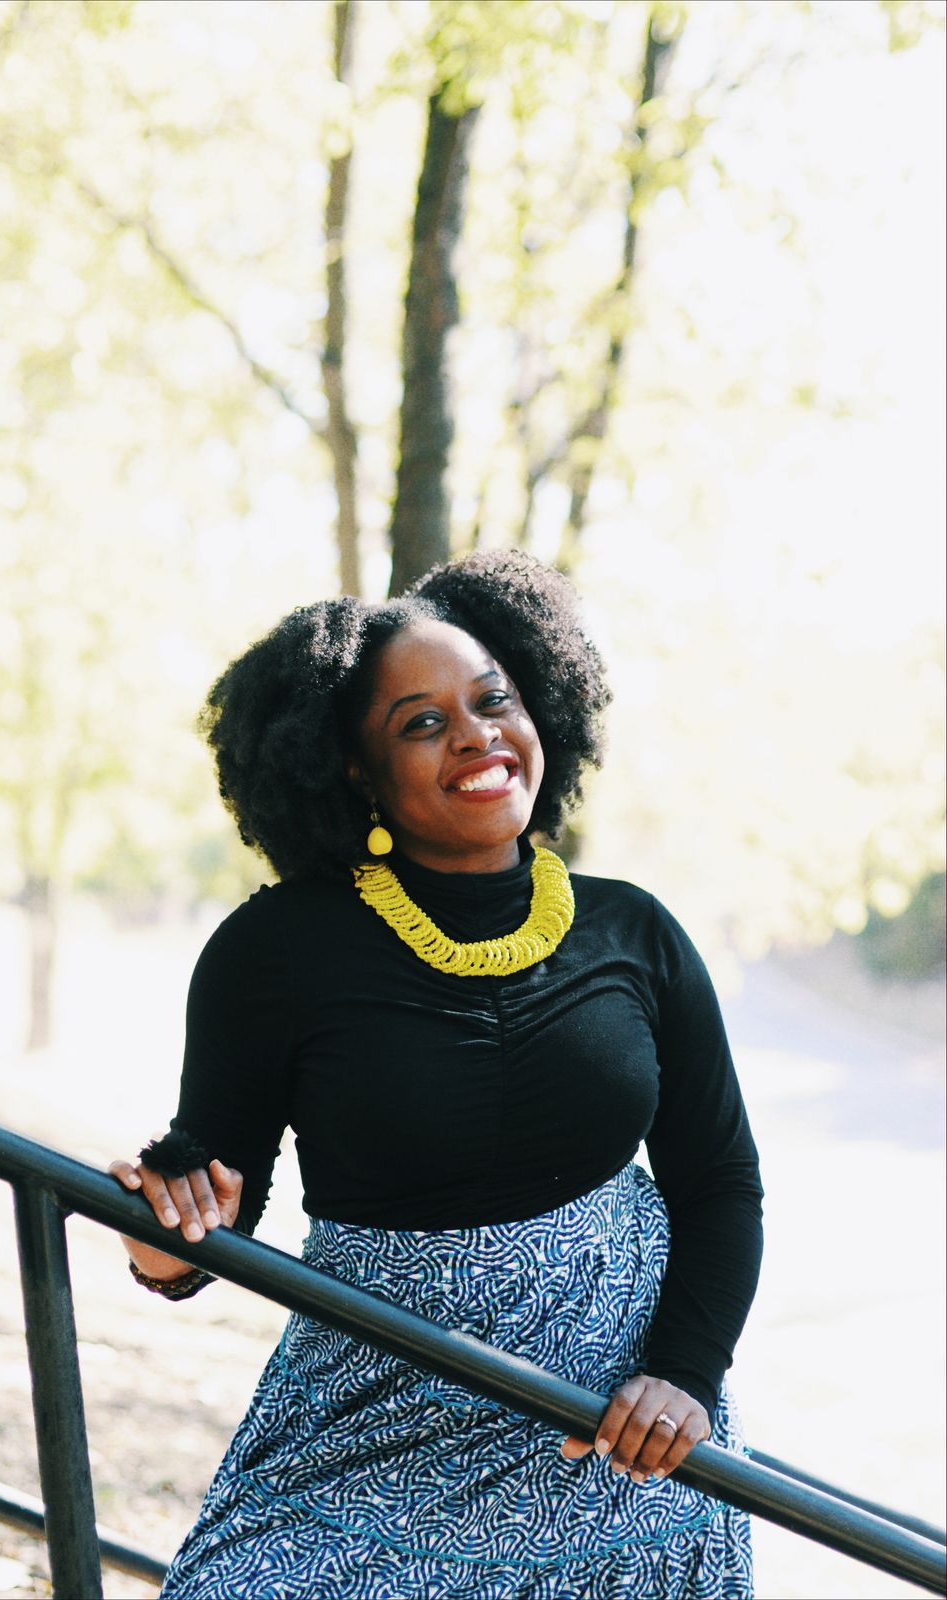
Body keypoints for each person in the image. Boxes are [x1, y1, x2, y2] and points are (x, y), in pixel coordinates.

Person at [109, 549, 763, 1599]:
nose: (474, 735)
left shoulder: (634, 932)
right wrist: (160, 1242)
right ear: (353, 771)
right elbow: (208, 1211)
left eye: (493, 700)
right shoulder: (274, 951)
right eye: (420, 723)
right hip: (372, 1433)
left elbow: (719, 1182)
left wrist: (684, 1375)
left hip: (614, 1445)